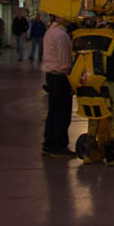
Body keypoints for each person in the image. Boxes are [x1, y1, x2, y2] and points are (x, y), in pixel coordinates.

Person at [42, 14, 74, 156]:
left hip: (51, 75)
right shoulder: (61, 35)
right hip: (61, 77)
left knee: (53, 111)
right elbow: (65, 61)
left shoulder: (50, 31)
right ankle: (59, 145)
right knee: (63, 113)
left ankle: (49, 144)